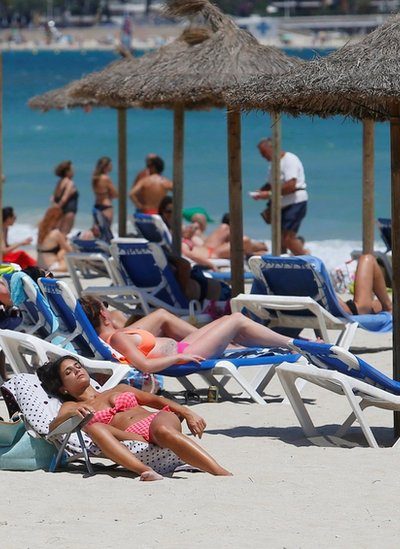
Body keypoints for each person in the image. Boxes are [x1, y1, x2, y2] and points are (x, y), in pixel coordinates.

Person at [37, 356, 231, 480]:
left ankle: (219, 471)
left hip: (157, 420)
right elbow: (53, 428)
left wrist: (188, 413)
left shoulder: (119, 388)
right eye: (69, 372)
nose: (77, 371)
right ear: (63, 388)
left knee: (162, 430)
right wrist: (70, 414)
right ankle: (144, 471)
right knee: (93, 427)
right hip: (131, 436)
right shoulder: (71, 406)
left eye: (78, 366)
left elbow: (155, 400)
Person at [79, 297, 292, 374]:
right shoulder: (117, 338)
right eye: (105, 306)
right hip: (188, 354)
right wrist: (178, 358)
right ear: (103, 315)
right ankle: (293, 343)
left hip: (184, 348)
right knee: (236, 319)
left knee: (229, 320)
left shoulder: (108, 339)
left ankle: (283, 343)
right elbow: (145, 366)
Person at [252, 138, 308, 255]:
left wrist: (269, 194)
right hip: (282, 204)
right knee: (279, 240)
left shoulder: (289, 159)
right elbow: (270, 184)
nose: (263, 157)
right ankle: (282, 262)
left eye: (264, 153)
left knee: (288, 238)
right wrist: (260, 192)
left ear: (272, 148)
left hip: (295, 202)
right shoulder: (273, 164)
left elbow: (291, 185)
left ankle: (309, 262)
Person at [37, 206, 73, 273]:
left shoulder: (41, 230)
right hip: (51, 267)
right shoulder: (56, 233)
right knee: (66, 252)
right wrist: (68, 241)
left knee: (61, 251)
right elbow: (69, 250)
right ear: (57, 220)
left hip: (40, 266)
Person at [51, 161, 79, 235]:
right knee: (64, 233)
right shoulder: (70, 183)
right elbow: (64, 198)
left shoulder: (59, 182)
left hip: (60, 212)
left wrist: (55, 209)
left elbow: (53, 198)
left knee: (58, 233)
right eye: (72, 170)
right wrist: (58, 207)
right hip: (68, 211)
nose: (74, 171)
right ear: (67, 172)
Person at [92, 156, 118, 225]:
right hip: (106, 206)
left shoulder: (95, 178)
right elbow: (116, 194)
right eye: (110, 165)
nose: (112, 166)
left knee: (97, 228)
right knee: (106, 228)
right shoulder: (106, 178)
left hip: (97, 205)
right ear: (106, 166)